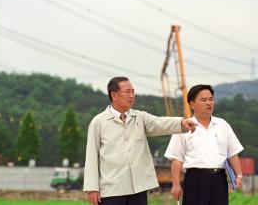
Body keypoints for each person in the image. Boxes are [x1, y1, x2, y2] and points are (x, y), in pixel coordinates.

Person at [83, 76, 197, 205]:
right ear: (114, 95)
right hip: (111, 190)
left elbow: (160, 123)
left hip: (138, 188)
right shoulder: (98, 122)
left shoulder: (140, 117)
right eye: (127, 92)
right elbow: (91, 157)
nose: (131, 95)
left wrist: (181, 122)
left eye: (133, 92)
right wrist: (92, 188)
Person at [164, 84, 244, 205]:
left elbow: (232, 153)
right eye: (204, 100)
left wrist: (239, 175)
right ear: (192, 104)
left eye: (211, 99)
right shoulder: (184, 127)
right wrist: (176, 184)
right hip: (195, 179)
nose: (209, 103)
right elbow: (177, 159)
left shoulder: (223, 125)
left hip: (219, 179)